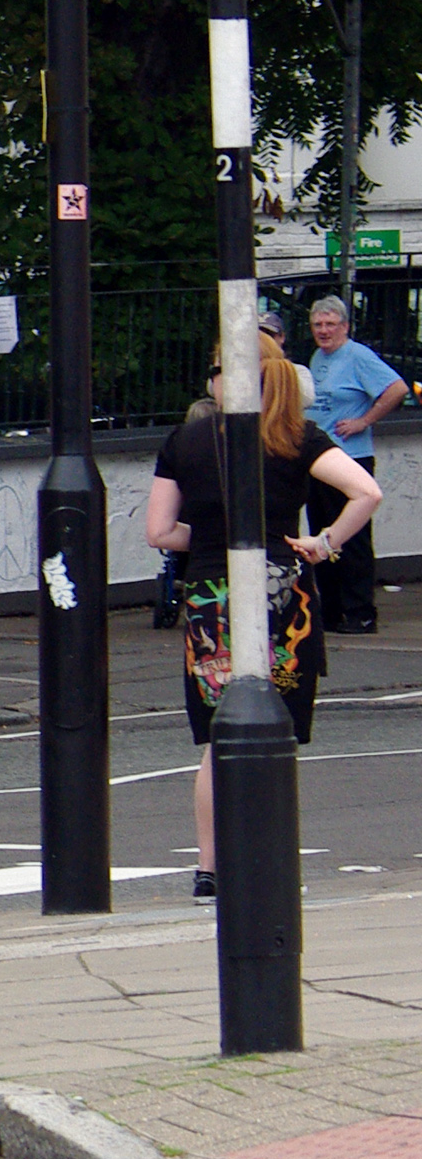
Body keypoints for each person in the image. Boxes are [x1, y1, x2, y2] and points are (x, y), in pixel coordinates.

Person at [149, 338, 381, 899]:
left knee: (217, 738)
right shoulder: (297, 437)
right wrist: (322, 544)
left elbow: (159, 532)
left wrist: (207, 540)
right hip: (281, 592)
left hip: (209, 596)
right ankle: (271, 855)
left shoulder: (186, 439)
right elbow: (366, 491)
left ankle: (209, 866)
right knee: (273, 730)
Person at [304, 297, 406, 633]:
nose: (324, 331)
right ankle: (331, 610)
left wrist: (364, 420)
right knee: (324, 533)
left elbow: (396, 388)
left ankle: (360, 612)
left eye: (331, 324)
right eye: (318, 324)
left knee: (353, 536)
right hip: (320, 460)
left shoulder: (358, 356)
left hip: (351, 457)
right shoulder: (319, 357)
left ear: (345, 326)